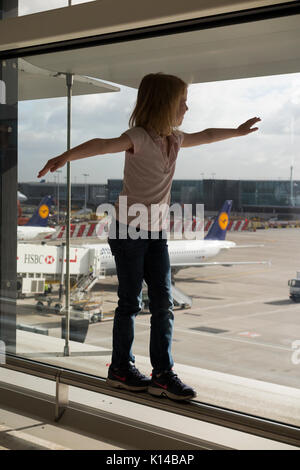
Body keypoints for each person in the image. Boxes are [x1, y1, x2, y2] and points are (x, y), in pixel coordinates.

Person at [37, 72, 261, 401]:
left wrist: (238, 132)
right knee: (130, 302)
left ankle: (162, 374)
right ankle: (120, 368)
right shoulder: (138, 137)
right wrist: (66, 156)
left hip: (156, 232)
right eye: (181, 102)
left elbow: (209, 134)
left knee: (163, 304)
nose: (186, 108)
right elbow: (101, 145)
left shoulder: (176, 139)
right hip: (128, 231)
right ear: (163, 104)